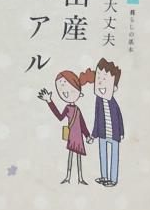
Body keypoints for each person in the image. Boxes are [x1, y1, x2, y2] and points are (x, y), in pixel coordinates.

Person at [37, 70, 93, 185]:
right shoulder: (68, 108)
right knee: (70, 156)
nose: (67, 94)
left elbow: (82, 124)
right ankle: (68, 177)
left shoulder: (77, 109)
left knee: (78, 157)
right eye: (63, 92)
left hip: (78, 136)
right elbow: (59, 116)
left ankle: (80, 178)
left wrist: (87, 136)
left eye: (71, 90)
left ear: (79, 93)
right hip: (72, 135)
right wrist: (49, 101)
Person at [90, 58, 125, 186]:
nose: (100, 82)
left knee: (114, 156)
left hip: (114, 133)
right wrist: (94, 134)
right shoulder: (98, 101)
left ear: (114, 88)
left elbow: (119, 117)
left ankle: (113, 179)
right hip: (102, 133)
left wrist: (121, 132)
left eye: (105, 79)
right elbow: (97, 118)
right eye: (98, 79)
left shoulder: (113, 103)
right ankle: (104, 176)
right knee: (103, 154)